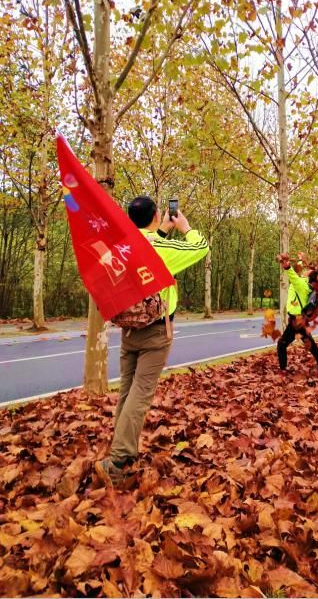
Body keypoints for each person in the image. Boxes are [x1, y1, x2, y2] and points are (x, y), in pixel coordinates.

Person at [95, 196, 209, 487]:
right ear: (157, 215)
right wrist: (184, 227)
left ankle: (121, 450)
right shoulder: (159, 247)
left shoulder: (122, 246)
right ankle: (119, 460)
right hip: (156, 331)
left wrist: (160, 232)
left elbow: (147, 251)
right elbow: (201, 247)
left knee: (127, 391)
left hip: (129, 329)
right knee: (141, 394)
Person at [276, 253, 318, 376]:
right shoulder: (308, 286)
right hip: (298, 320)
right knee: (309, 344)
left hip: (297, 321)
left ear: (308, 278)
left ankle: (283, 369)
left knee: (282, 344)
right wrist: (300, 260)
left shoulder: (301, 285)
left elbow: (294, 275)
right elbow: (299, 273)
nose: (305, 271)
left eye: (307, 272)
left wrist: (287, 266)